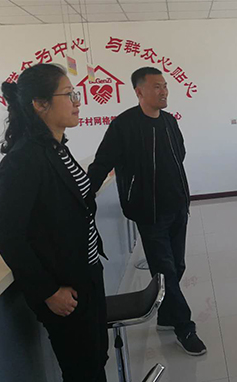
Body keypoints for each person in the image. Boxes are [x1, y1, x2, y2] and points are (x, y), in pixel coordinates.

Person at [0, 64, 109, 382]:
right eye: (69, 94)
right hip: (64, 287)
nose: (77, 102)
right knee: (81, 373)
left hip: (86, 273)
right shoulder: (24, 159)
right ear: (40, 104)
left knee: (95, 360)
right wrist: (47, 291)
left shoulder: (56, 148)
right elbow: (8, 235)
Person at [87, 67, 206, 356]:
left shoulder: (169, 121)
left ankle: (166, 316)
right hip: (149, 212)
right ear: (139, 91)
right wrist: (83, 195)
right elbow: (102, 163)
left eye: (165, 86)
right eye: (156, 86)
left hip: (178, 206)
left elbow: (180, 154)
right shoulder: (124, 125)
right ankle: (185, 327)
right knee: (165, 268)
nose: (163, 91)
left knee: (177, 266)